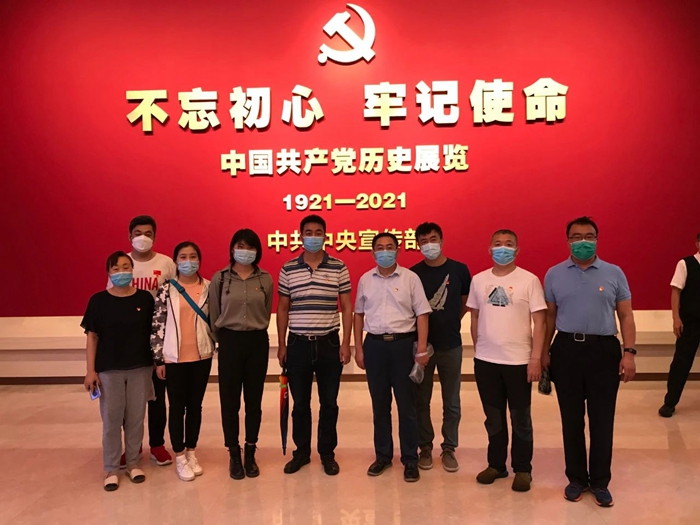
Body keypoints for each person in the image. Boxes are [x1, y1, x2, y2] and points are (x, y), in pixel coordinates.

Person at [543, 216, 636, 508]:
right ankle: (576, 479)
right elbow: (548, 317)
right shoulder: (554, 274)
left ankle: (600, 482)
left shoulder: (614, 273)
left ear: (597, 239)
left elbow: (626, 315)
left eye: (589, 236)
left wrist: (629, 352)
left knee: (602, 419)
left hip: (604, 350)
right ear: (567, 240)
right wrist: (543, 352)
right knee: (571, 419)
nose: (583, 241)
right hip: (566, 350)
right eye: (576, 236)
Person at [467, 230, 546, 492]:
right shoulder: (479, 280)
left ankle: (523, 469)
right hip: (486, 361)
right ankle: (496, 465)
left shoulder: (529, 280)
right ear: (489, 249)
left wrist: (535, 358)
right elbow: (475, 316)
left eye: (509, 244)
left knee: (520, 417)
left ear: (517, 249)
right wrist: (479, 349)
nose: (503, 248)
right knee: (493, 417)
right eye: (498, 244)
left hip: (519, 361)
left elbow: (540, 322)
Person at [277, 215, 352, 476]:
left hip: (329, 342)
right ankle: (301, 453)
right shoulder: (288, 268)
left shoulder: (338, 266)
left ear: (325, 236)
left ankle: (327, 454)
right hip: (297, 343)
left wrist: (346, 343)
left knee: (329, 403)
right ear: (301, 236)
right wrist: (282, 344)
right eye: (308, 232)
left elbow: (346, 306)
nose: (313, 236)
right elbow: (283, 307)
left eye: (318, 232)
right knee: (300, 404)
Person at [354, 232, 432, 483]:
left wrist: (421, 349)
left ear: (398, 251)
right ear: (373, 252)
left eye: (389, 247)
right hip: (375, 346)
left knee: (407, 405)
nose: (384, 251)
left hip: (403, 346)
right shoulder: (366, 279)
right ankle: (383, 456)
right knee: (380, 405)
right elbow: (358, 314)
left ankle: (410, 459)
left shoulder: (410, 278)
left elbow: (422, 314)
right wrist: (359, 348)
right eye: (380, 247)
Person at [83, 251, 155, 491]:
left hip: (140, 367)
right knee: (111, 420)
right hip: (109, 370)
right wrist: (90, 371)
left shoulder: (145, 299)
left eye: (126, 267)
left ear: (132, 270)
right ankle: (112, 468)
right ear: (109, 272)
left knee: (136, 419)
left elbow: (154, 334)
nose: (121, 272)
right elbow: (92, 337)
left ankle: (133, 463)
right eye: (116, 268)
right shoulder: (98, 301)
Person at [108, 215, 176, 467]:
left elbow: (176, 297)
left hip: (159, 340)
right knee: (129, 402)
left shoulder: (166, 263)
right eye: (138, 233)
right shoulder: (121, 263)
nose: (142, 238)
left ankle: (157, 444)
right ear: (129, 236)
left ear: (155, 237)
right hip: (129, 342)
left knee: (157, 397)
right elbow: (111, 297)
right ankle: (131, 447)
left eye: (148, 233)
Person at [209, 229, 273, 480]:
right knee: (230, 401)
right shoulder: (220, 279)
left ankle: (250, 450)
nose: (245, 251)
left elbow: (266, 310)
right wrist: (223, 341)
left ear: (257, 251)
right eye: (240, 246)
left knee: (254, 401)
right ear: (232, 249)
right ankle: (233, 453)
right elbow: (214, 314)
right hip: (230, 342)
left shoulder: (265, 279)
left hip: (257, 342)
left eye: (250, 247)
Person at [411, 222, 471, 473]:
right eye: (424, 241)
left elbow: (465, 302)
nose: (429, 245)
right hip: (422, 347)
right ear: (418, 245)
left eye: (433, 239)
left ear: (442, 240)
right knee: (421, 400)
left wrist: (452, 321)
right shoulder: (413, 274)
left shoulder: (459, 270)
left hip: (451, 345)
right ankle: (425, 447)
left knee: (452, 401)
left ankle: (449, 448)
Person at [151, 242, 214, 482]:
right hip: (173, 358)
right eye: (183, 257)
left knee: (195, 406)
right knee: (177, 408)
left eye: (193, 256)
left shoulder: (209, 287)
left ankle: (191, 452)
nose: (188, 261)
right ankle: (179, 456)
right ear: (176, 261)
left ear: (200, 259)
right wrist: (159, 359)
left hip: (202, 356)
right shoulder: (166, 288)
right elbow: (158, 324)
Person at [660, 233, 700, 417]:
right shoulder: (685, 264)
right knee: (681, 363)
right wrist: (676, 318)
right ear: (697, 243)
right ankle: (669, 403)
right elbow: (675, 291)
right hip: (690, 323)